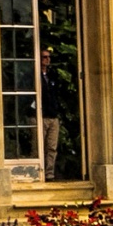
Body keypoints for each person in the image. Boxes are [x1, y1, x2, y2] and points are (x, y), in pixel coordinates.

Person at [39, 49, 62, 179]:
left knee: (52, 147)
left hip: (52, 116)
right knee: (39, 146)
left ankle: (49, 173)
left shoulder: (52, 75)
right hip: (40, 115)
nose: (47, 60)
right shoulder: (34, 75)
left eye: (48, 57)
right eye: (44, 57)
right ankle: (37, 171)